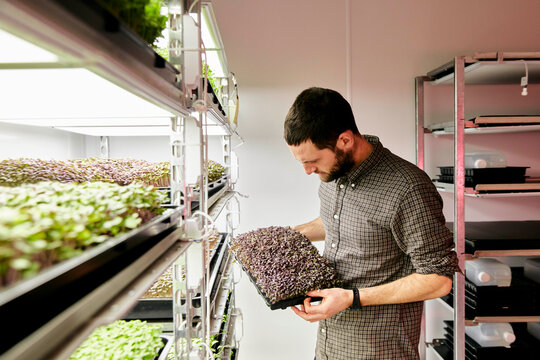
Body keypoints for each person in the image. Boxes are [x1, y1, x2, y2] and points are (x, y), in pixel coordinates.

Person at [283, 87, 460, 360]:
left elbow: (438, 279)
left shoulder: (407, 188)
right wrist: (289, 236)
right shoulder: (333, 174)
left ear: (344, 140)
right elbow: (339, 221)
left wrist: (351, 298)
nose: (308, 171)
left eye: (312, 161)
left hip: (380, 351)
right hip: (330, 345)